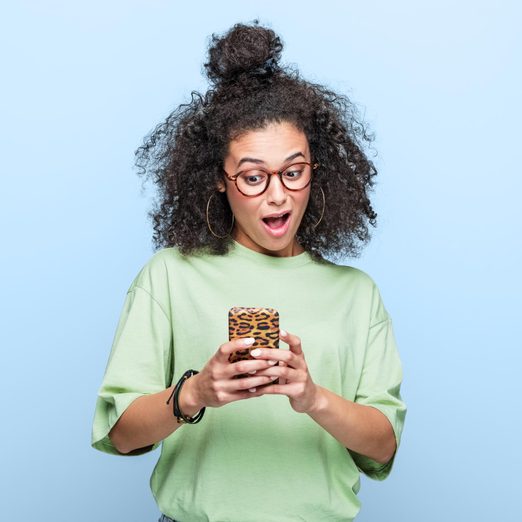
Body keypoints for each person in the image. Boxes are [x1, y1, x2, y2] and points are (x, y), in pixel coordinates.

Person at [91, 21, 406, 522]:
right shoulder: (169, 276)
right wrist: (196, 392)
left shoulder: (357, 294)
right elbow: (122, 435)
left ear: (315, 171)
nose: (277, 195)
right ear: (219, 178)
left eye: (293, 171)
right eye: (254, 177)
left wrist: (313, 398)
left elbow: (383, 448)